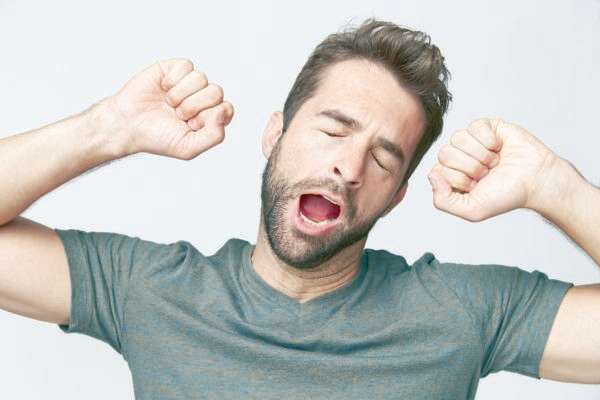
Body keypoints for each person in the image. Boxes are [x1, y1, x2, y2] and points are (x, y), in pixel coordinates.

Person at [0, 17, 598, 399]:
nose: (349, 167)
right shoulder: (151, 290)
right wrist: (107, 129)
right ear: (276, 135)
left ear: (396, 196)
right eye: (333, 130)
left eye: (383, 158)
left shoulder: (460, 312)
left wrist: (554, 186)